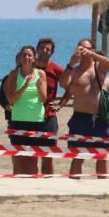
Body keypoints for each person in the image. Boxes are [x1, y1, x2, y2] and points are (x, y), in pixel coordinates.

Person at [60, 38, 109, 178]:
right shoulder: (75, 71)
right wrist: (71, 64)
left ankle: (102, 188)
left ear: (92, 49)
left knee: (102, 157)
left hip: (100, 118)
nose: (83, 51)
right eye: (80, 48)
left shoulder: (99, 67)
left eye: (86, 48)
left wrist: (92, 54)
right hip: (80, 118)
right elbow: (63, 83)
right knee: (78, 157)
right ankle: (74, 186)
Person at [3, 45, 47, 175]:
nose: (27, 58)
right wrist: (25, 85)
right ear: (20, 58)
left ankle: (32, 186)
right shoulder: (14, 74)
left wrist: (38, 87)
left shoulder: (40, 73)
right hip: (18, 120)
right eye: (24, 55)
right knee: (19, 158)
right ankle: (17, 185)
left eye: (29, 55)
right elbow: (11, 99)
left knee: (32, 159)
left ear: (34, 58)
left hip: (36, 120)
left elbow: (44, 99)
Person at [33, 37, 64, 175]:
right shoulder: (29, 66)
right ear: (37, 49)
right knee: (30, 155)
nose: (44, 51)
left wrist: (60, 104)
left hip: (48, 116)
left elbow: (71, 85)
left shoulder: (56, 69)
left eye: (48, 49)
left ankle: (48, 182)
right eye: (42, 48)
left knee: (48, 155)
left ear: (51, 52)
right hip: (29, 116)